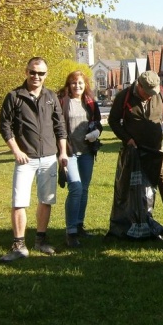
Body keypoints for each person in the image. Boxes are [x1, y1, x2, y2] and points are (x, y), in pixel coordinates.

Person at [0, 57, 68, 262]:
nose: (36, 76)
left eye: (41, 73)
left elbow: (60, 126)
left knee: (46, 201)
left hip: (48, 157)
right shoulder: (14, 96)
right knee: (19, 202)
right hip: (25, 159)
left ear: (46, 74)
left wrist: (62, 152)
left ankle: (40, 240)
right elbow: (4, 126)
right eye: (33, 72)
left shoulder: (51, 96)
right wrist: (16, 151)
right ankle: (19, 245)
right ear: (26, 71)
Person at [109, 70, 163, 225]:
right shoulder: (124, 96)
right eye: (147, 92)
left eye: (153, 91)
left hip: (157, 150)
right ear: (139, 86)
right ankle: (137, 223)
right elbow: (113, 121)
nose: (151, 95)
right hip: (135, 152)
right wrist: (127, 139)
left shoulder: (160, 94)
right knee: (134, 188)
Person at [58, 70, 103, 247]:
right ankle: (70, 232)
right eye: (74, 83)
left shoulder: (90, 102)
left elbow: (98, 122)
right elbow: (57, 125)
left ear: (85, 85)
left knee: (84, 189)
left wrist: (97, 131)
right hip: (69, 152)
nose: (77, 86)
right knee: (75, 188)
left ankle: (79, 225)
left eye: (81, 83)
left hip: (86, 152)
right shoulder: (62, 101)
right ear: (68, 85)